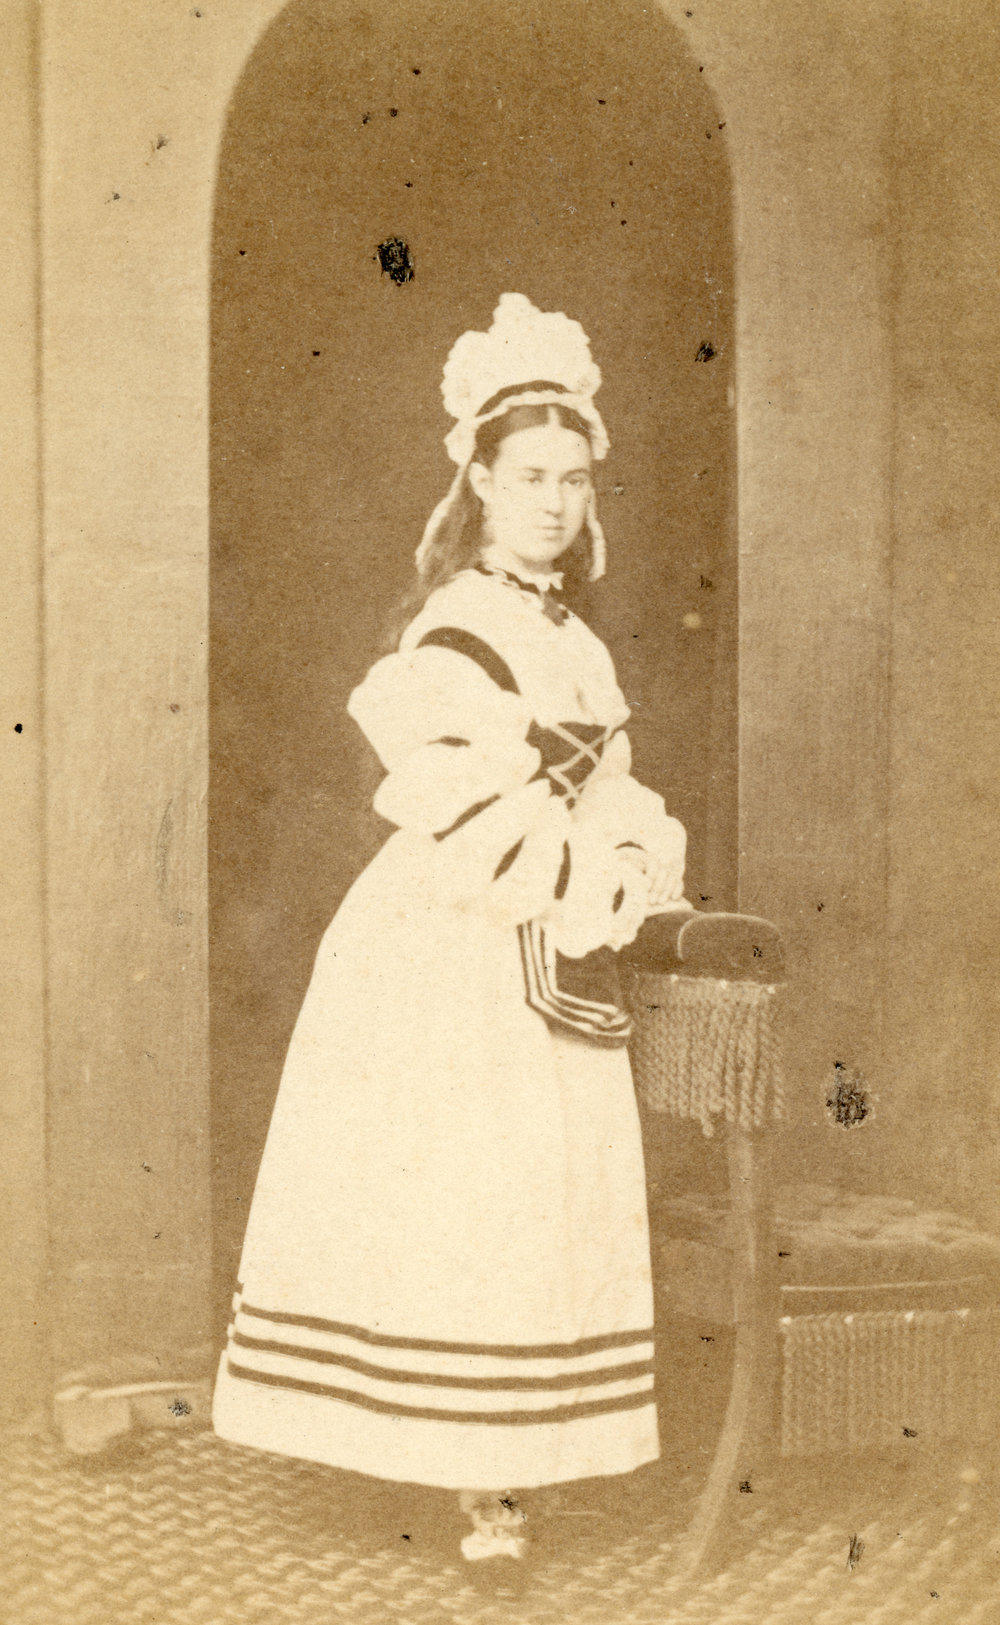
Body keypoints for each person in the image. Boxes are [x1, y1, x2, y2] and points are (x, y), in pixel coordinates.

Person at [212, 293, 689, 1567]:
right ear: (477, 482)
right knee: (459, 1189)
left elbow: (614, 786)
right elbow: (476, 809)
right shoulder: (452, 629)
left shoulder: (573, 638)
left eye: (574, 480)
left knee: (534, 1199)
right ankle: (464, 1475)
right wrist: (586, 859)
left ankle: (508, 1469)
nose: (553, 503)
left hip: (552, 936)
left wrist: (632, 850)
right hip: (453, 935)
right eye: (529, 476)